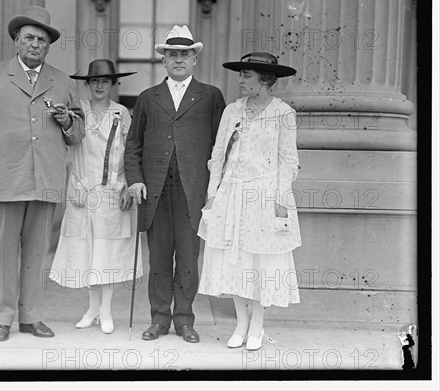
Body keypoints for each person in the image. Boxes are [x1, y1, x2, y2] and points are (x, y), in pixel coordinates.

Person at [0, 6, 85, 342]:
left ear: (48, 46)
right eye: (28, 37)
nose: (35, 44)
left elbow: (78, 133)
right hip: (5, 175)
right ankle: (2, 317)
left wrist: (67, 121)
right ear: (16, 41)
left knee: (36, 251)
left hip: (45, 176)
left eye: (42, 40)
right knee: (4, 252)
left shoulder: (61, 81)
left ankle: (31, 317)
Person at [125, 25, 226, 343]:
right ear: (164, 61)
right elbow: (133, 146)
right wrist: (135, 180)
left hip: (192, 190)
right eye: (172, 54)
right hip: (155, 190)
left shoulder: (210, 96)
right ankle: (158, 319)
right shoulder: (147, 98)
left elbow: (221, 146)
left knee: (187, 257)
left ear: (195, 58)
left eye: (185, 54)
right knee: (157, 257)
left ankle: (184, 319)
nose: (179, 59)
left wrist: (216, 190)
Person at [198, 52, 301, 350]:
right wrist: (213, 195)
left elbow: (288, 160)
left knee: (261, 263)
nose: (241, 80)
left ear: (266, 79)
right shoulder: (232, 111)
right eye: (240, 75)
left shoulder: (283, 113)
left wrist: (280, 199)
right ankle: (240, 324)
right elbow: (218, 154)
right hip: (231, 194)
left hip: (265, 195)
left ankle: (257, 325)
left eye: (247, 76)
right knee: (235, 262)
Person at [50, 59, 142, 334]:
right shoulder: (78, 110)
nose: (100, 86)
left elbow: (130, 152)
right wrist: (75, 184)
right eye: (95, 81)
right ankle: (91, 308)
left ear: (113, 84)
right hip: (82, 190)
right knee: (87, 252)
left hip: (112, 192)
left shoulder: (121, 113)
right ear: (87, 85)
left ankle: (106, 311)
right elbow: (71, 142)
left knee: (108, 253)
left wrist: (127, 185)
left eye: (105, 81)